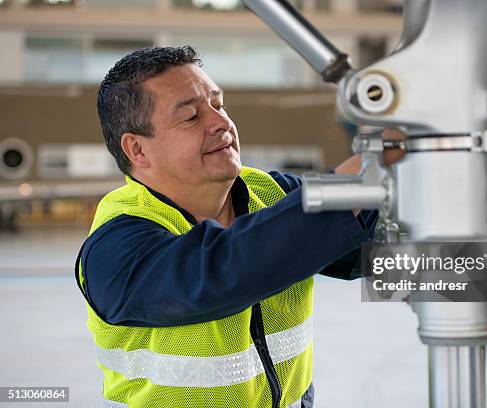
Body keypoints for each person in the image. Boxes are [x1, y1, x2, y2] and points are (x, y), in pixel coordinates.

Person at [75, 46, 405, 408]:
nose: (220, 123)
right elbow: (221, 273)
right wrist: (362, 172)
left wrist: (471, 275)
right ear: (137, 150)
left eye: (218, 105)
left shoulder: (271, 193)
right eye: (190, 118)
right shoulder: (117, 244)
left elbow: (380, 253)